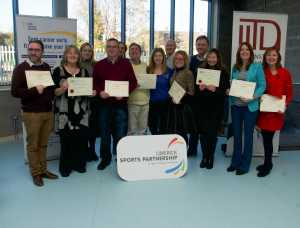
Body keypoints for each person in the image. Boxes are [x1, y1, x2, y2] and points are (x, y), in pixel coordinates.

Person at [11, 40, 58, 186]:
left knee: (43, 144)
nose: (33, 52)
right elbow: (15, 91)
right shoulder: (21, 68)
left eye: (37, 50)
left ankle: (43, 170)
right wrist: (33, 90)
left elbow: (50, 88)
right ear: (28, 51)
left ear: (42, 52)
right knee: (33, 145)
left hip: (47, 112)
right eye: (31, 49)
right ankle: (36, 173)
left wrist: (50, 96)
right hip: (31, 114)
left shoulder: (45, 67)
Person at [93, 38, 137, 170]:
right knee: (105, 133)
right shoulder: (99, 65)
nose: (111, 49)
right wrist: (100, 92)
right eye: (109, 47)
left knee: (120, 133)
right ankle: (105, 159)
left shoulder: (126, 64)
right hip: (104, 105)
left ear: (119, 49)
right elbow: (94, 83)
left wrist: (124, 93)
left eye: (114, 47)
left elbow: (133, 83)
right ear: (106, 49)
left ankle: (120, 157)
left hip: (120, 105)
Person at [227, 42, 266, 175]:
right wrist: (229, 90)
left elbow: (262, 85)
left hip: (250, 107)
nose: (244, 51)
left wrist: (253, 97)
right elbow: (232, 83)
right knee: (237, 135)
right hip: (236, 106)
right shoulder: (235, 67)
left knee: (248, 136)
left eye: (247, 49)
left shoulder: (257, 67)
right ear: (239, 53)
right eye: (242, 49)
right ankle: (235, 161)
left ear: (250, 53)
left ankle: (245, 164)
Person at [52, 45, 91, 177]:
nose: (73, 55)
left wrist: (92, 93)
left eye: (75, 53)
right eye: (70, 53)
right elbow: (54, 92)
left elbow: (88, 91)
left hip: (82, 112)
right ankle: (66, 167)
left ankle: (79, 164)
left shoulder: (84, 71)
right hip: (65, 112)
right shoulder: (58, 71)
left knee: (81, 140)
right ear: (65, 55)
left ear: (79, 56)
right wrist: (63, 88)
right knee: (66, 141)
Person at [256, 47, 293, 177]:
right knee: (266, 138)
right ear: (265, 58)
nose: (271, 57)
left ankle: (267, 164)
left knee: (268, 139)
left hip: (276, 112)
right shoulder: (262, 72)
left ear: (278, 57)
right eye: (268, 55)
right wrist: (259, 96)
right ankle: (267, 163)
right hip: (264, 111)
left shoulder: (285, 73)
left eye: (274, 55)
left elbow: (289, 93)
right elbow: (259, 88)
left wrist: (285, 105)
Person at [196, 49, 230, 169]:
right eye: (209, 57)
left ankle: (210, 157)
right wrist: (199, 89)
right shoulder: (200, 71)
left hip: (216, 108)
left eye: (214, 57)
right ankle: (204, 156)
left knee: (212, 133)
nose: (211, 59)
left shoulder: (224, 72)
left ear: (218, 58)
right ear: (206, 58)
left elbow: (226, 92)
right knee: (203, 134)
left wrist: (215, 89)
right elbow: (195, 91)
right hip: (202, 108)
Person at [165, 50, 196, 142]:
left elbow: (191, 93)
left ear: (185, 60)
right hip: (172, 106)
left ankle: (183, 152)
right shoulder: (174, 71)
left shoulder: (188, 73)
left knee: (181, 133)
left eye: (181, 59)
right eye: (177, 58)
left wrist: (181, 99)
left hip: (182, 107)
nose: (178, 60)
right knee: (172, 132)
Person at [188, 35, 209, 156]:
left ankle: (206, 152)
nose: (200, 46)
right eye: (198, 44)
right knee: (193, 126)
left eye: (203, 44)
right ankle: (192, 150)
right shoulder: (191, 60)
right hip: (194, 98)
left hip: (207, 99)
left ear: (207, 46)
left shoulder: (211, 59)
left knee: (205, 127)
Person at [80, 42, 99, 162]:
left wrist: (96, 90)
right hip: (81, 100)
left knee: (93, 127)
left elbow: (99, 81)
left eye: (89, 51)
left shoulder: (96, 65)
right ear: (80, 52)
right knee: (82, 126)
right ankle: (83, 151)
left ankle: (92, 150)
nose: (87, 52)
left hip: (94, 99)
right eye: (84, 50)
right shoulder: (76, 65)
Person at [148, 48, 173, 135]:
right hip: (152, 103)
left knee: (164, 128)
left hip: (165, 103)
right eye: (155, 56)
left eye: (160, 55)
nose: (158, 58)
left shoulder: (169, 71)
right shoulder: (148, 70)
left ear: (163, 57)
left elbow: (173, 87)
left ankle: (163, 147)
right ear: (152, 57)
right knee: (152, 126)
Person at [127, 43, 149, 135]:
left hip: (145, 102)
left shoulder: (146, 66)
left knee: (143, 130)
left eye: (136, 49)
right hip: (131, 102)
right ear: (129, 53)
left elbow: (150, 81)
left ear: (140, 52)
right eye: (132, 49)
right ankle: (130, 149)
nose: (134, 51)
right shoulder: (126, 65)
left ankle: (142, 149)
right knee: (131, 130)